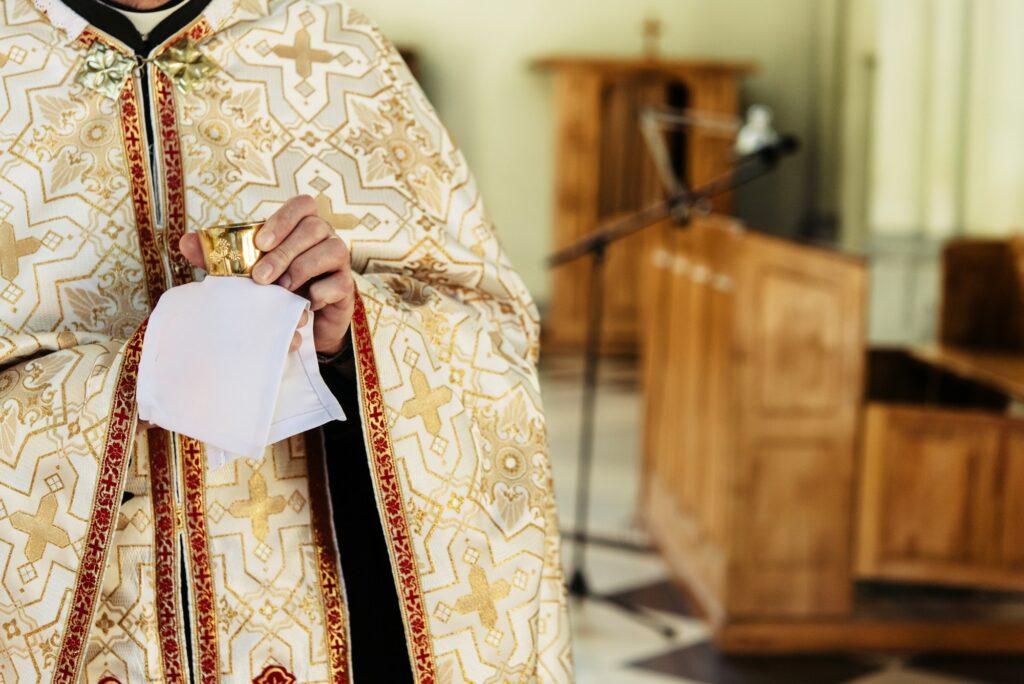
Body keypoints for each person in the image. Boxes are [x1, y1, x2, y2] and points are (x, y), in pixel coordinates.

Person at [0, 1, 573, 682]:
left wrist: (350, 338)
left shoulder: (331, 46)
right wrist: (120, 385)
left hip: (303, 618)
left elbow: (490, 330)